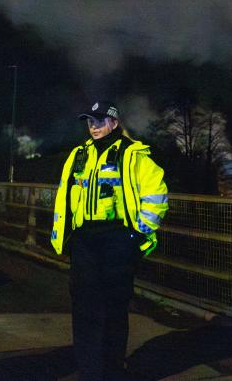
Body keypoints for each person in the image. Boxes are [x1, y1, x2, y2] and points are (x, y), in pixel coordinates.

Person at [51, 100, 169, 381]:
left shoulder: (133, 154)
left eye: (99, 121)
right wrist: (65, 235)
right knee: (84, 309)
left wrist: (137, 234)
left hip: (117, 240)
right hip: (84, 241)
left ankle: (112, 370)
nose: (93, 126)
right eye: (90, 121)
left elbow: (156, 194)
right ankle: (91, 371)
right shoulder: (79, 154)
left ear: (114, 123)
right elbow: (64, 196)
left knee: (114, 308)